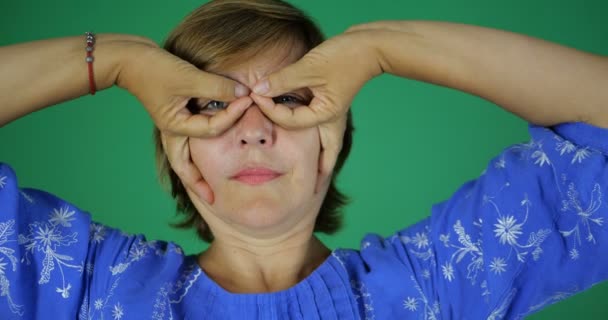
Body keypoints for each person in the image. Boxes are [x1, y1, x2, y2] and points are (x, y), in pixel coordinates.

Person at [1, 0, 607, 319]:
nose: (255, 131)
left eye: (289, 100)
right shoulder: (83, 287)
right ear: (174, 146)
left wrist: (382, 48)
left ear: (334, 135)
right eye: (210, 105)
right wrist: (111, 60)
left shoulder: (436, 287)